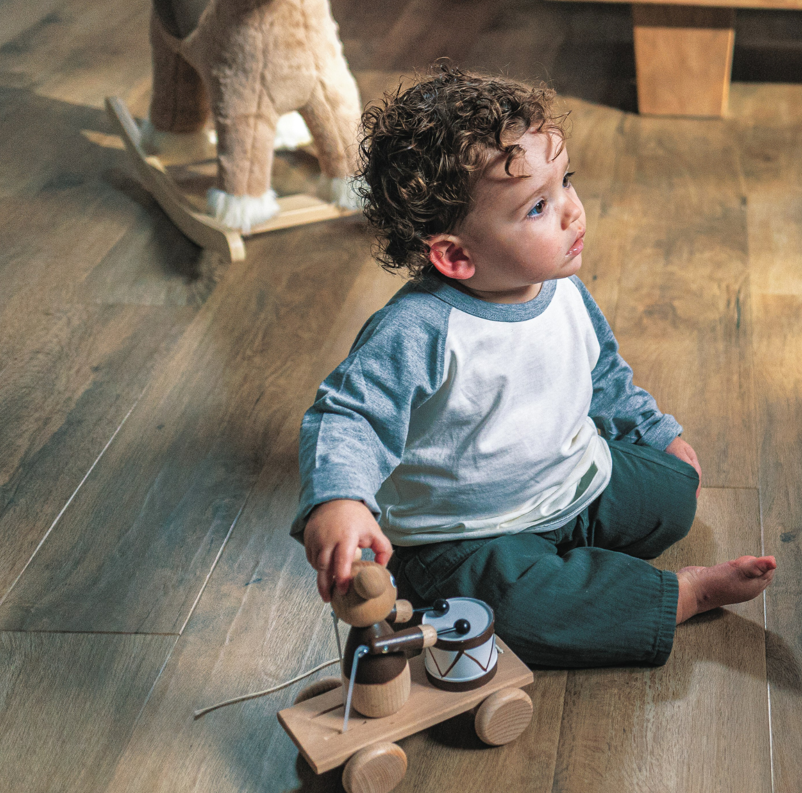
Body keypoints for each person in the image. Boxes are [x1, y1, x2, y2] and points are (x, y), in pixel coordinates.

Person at [291, 66, 774, 668]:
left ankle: (574, 565)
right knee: (517, 611)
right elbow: (349, 417)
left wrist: (654, 432)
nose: (572, 211)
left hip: (567, 480)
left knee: (673, 497)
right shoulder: (419, 329)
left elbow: (603, 375)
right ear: (456, 256)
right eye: (538, 207)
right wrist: (339, 501)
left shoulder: (560, 288)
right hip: (466, 536)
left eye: (565, 181)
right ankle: (680, 594)